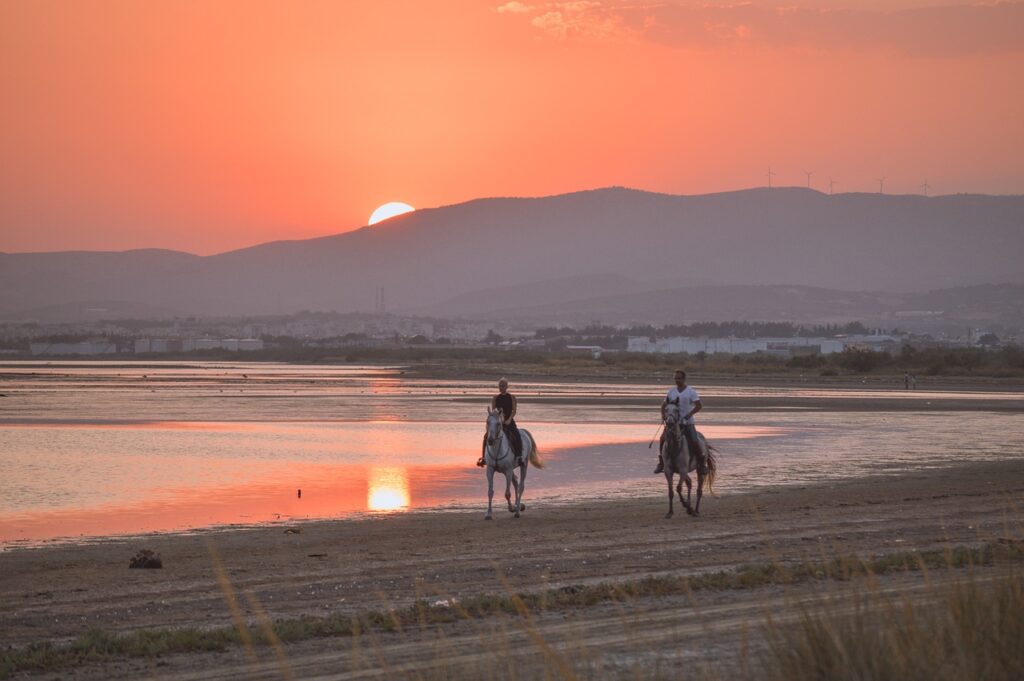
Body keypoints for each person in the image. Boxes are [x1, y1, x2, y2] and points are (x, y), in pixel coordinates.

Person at [655, 369, 703, 474]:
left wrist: (689, 415)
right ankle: (661, 463)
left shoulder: (691, 391)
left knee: (694, 441)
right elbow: (664, 405)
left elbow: (699, 406)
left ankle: (702, 463)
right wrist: (663, 416)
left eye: (679, 378)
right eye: (675, 378)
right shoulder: (671, 391)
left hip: (687, 423)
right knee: (662, 439)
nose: (677, 380)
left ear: (684, 379)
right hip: (672, 424)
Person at [477, 378, 524, 467]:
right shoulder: (495, 398)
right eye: (500, 386)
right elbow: (494, 412)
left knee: (517, 435)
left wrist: (509, 420)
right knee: (486, 436)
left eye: (503, 386)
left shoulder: (512, 397)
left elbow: (514, 411)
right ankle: (484, 458)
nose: (501, 388)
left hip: (509, 422)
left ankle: (519, 457)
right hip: (498, 423)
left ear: (506, 387)